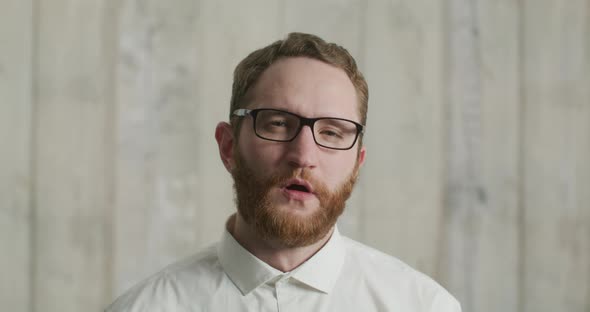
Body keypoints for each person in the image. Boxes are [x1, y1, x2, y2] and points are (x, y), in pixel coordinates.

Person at [106, 32, 461, 312]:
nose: (303, 155)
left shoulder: (424, 306)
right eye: (277, 124)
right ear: (228, 146)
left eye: (332, 132)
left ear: (357, 161)